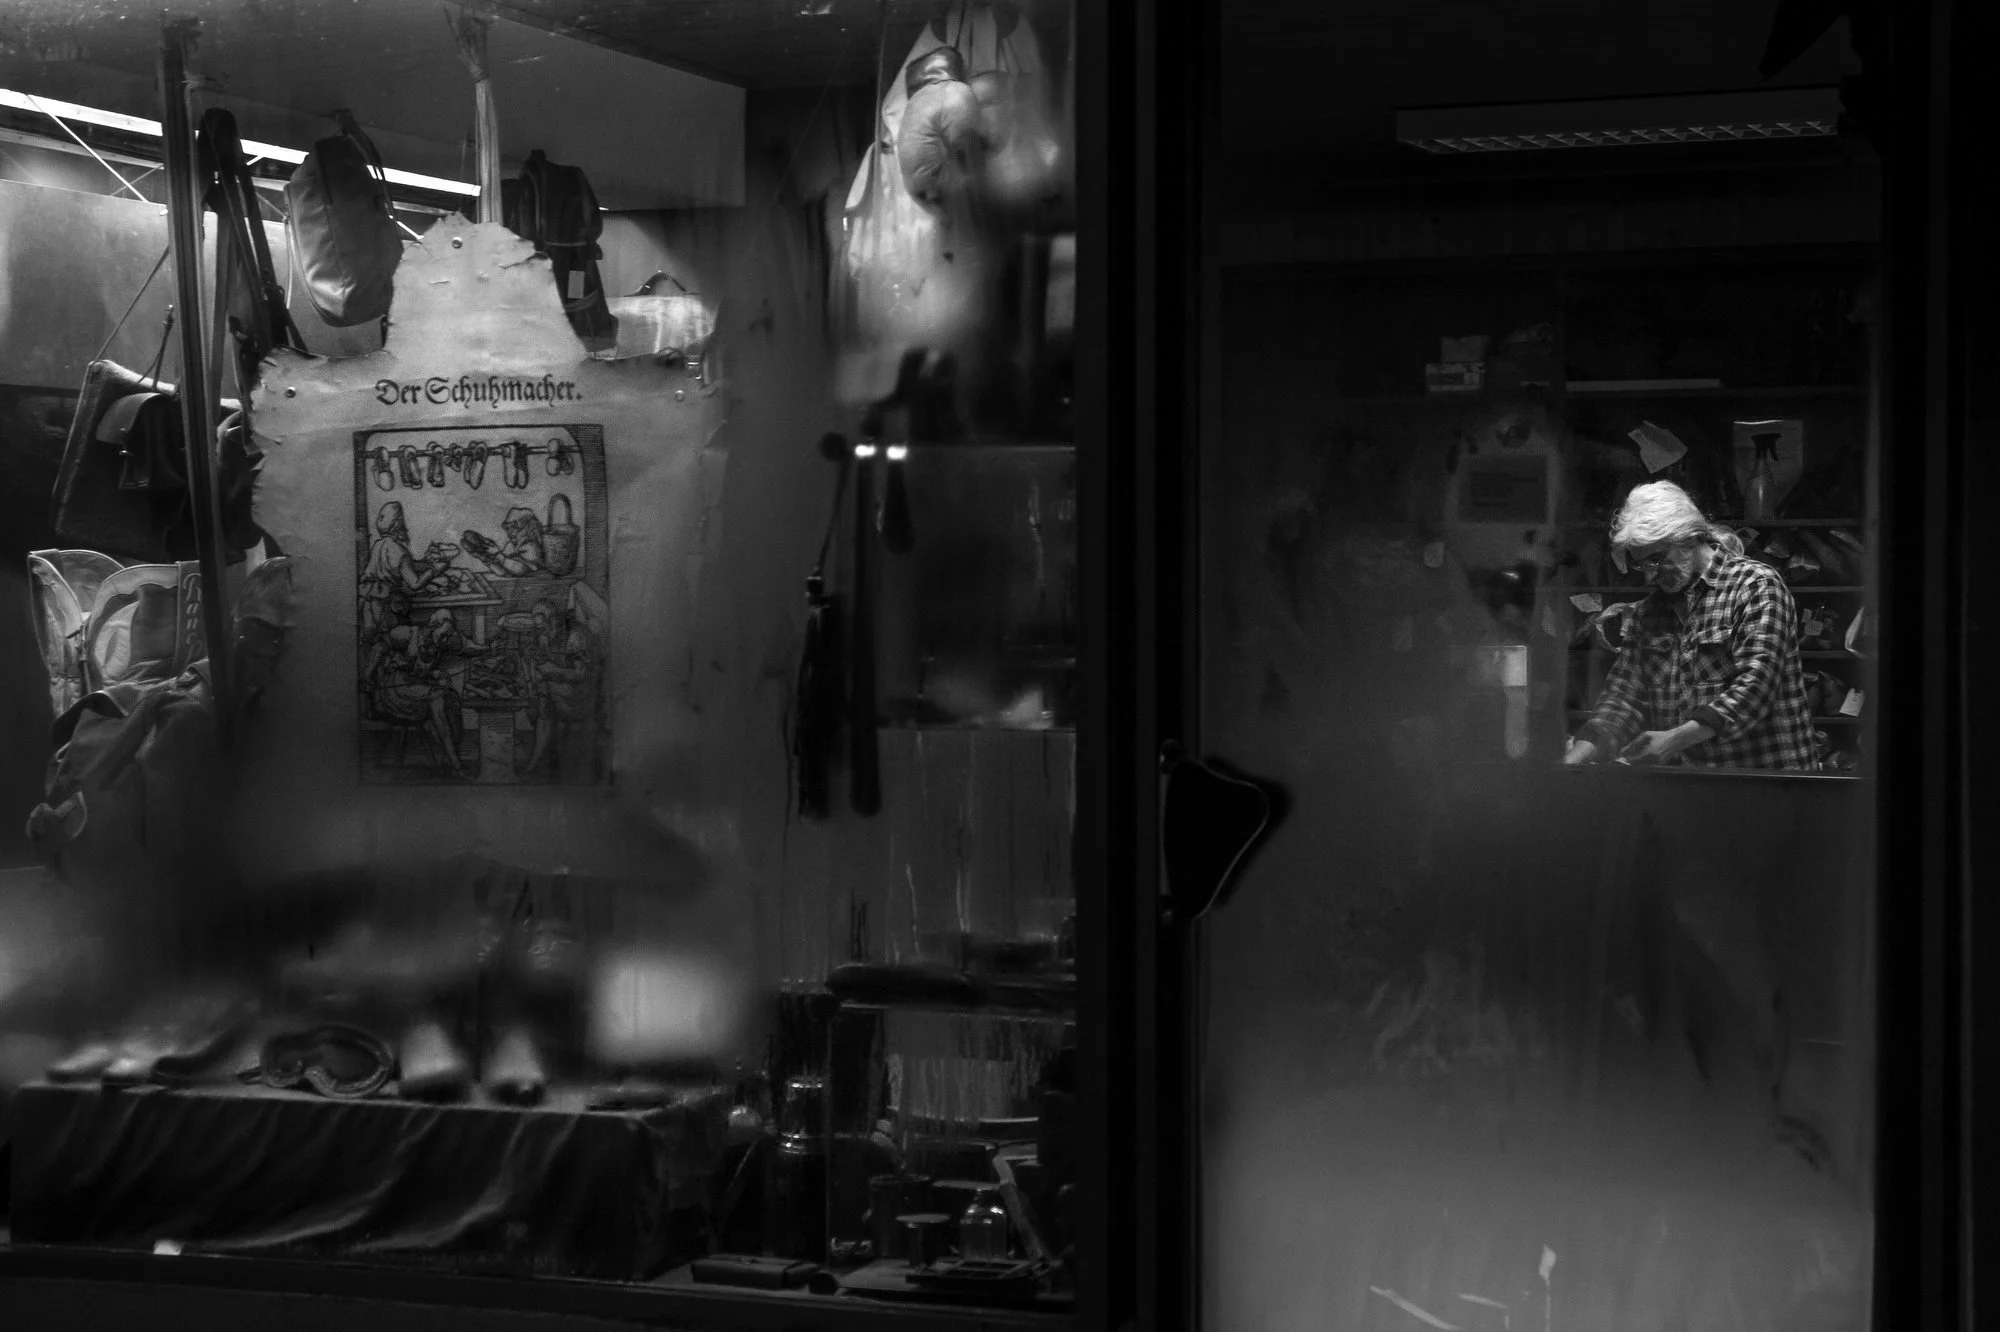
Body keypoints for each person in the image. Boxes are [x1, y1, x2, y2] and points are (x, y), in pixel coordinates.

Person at [1564, 480, 1814, 770]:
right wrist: (1578, 756)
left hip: (1766, 781)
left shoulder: (1755, 586)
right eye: (1641, 565)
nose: (1648, 577)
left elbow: (1757, 685)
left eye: (1657, 559)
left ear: (1691, 537)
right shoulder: (1649, 613)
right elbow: (1624, 697)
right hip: (1692, 788)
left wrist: (1676, 739)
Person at [521, 595, 597, 778]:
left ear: (553, 620)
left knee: (544, 702)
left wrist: (554, 671)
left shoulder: (575, 636)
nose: (542, 633)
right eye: (539, 628)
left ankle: (536, 762)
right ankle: (545, 755)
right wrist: (534, 678)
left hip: (581, 696)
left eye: (544, 627)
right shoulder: (545, 637)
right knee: (536, 700)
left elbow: (581, 674)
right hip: (558, 690)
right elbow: (541, 667)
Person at [359, 501, 443, 645]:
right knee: (415, 635)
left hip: (368, 604)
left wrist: (425, 562)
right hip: (386, 611)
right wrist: (435, 570)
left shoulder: (378, 545)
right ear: (399, 523)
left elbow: (401, 567)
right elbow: (415, 584)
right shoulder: (400, 551)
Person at [467, 507, 547, 578]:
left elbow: (521, 570)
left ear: (529, 529)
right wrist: (486, 558)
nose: (510, 532)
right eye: (507, 528)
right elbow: (504, 572)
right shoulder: (510, 545)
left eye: (515, 527)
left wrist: (498, 554)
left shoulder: (531, 546)